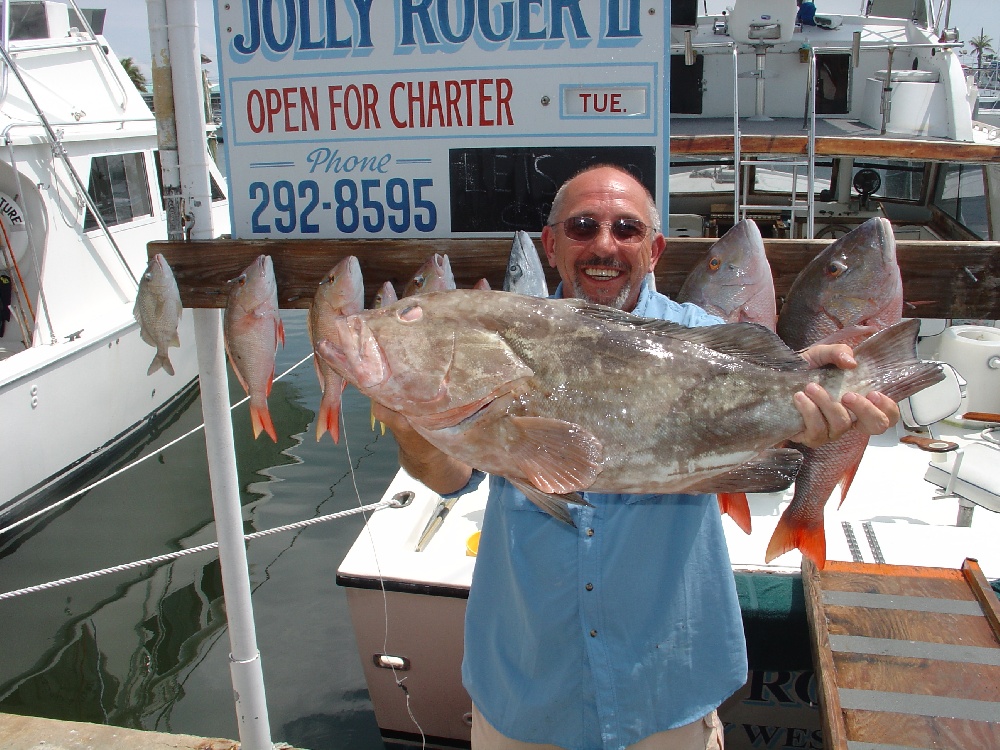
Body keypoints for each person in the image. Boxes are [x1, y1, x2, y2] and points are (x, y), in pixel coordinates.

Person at [372, 164, 899, 750]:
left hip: (666, 691)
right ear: (551, 246)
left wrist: (816, 397)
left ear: (654, 250)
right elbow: (447, 480)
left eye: (626, 228)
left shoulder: (703, 336)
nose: (604, 244)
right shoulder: (496, 336)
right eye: (582, 227)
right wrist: (410, 422)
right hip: (527, 685)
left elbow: (774, 398)